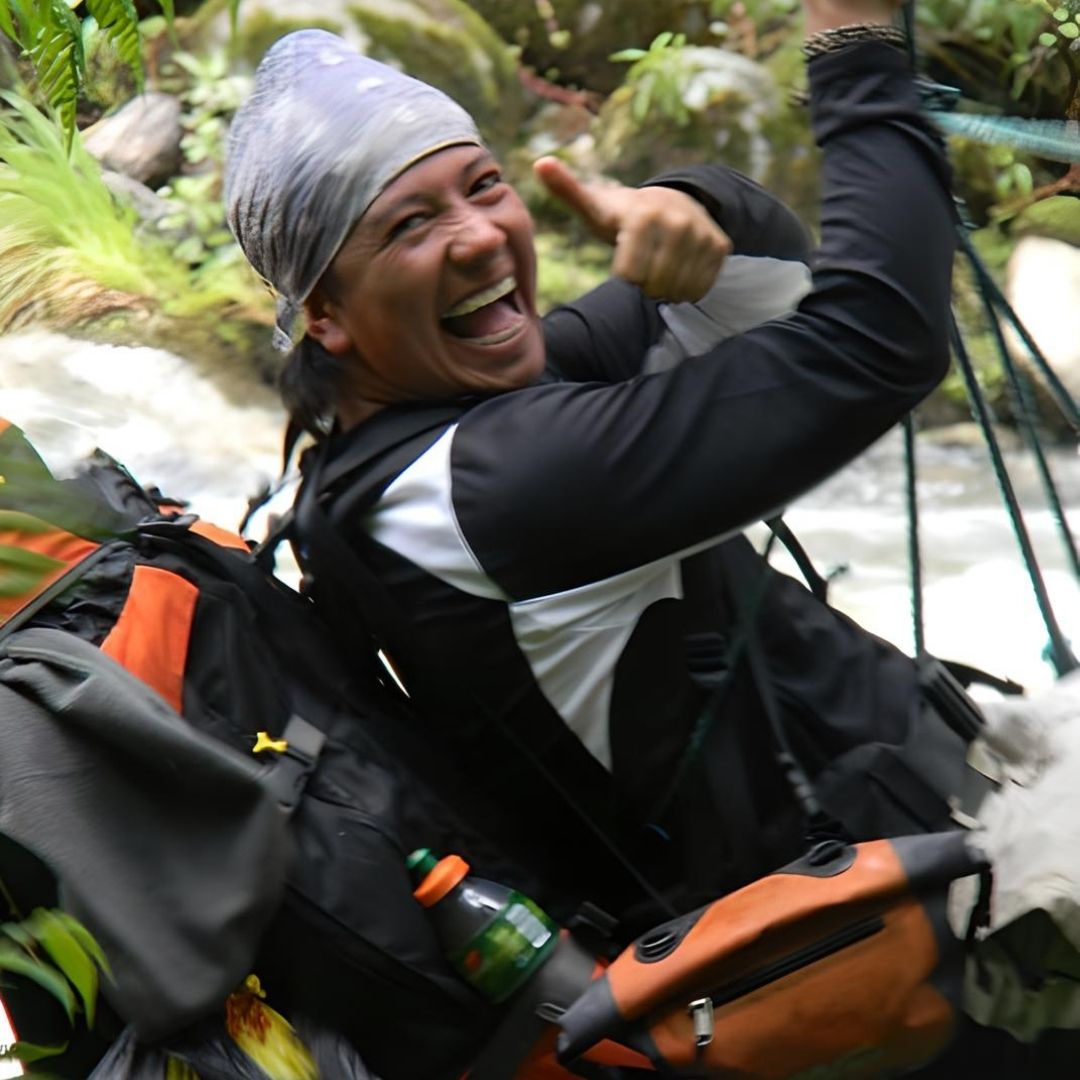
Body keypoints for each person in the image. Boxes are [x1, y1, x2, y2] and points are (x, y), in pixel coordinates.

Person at [224, 0, 967, 924]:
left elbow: (776, 284)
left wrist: (693, 205)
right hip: (890, 947)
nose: (482, 236)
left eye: (484, 185)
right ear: (325, 313)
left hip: (875, 882)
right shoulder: (497, 490)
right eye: (411, 225)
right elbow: (879, 339)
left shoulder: (425, 428)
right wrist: (855, 47)